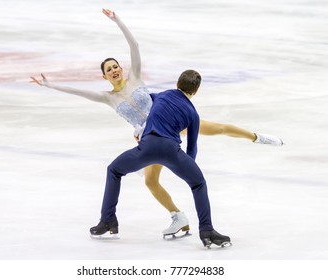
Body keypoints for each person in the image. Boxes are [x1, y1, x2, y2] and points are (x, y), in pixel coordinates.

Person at [30, 8, 283, 238]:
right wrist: (50, 84)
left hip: (171, 121)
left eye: (116, 66)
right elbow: (78, 93)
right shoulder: (108, 98)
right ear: (104, 75)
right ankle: (178, 217)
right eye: (109, 69)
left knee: (218, 128)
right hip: (150, 137)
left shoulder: (135, 78)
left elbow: (135, 45)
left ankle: (258, 137)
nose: (115, 70)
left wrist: (118, 21)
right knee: (150, 181)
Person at [90, 70, 230, 248]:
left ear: (177, 84)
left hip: (147, 148)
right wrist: (187, 167)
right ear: (195, 91)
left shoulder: (162, 96)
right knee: (198, 183)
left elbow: (143, 102)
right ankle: (207, 230)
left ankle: (108, 220)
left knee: (114, 170)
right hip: (172, 151)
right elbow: (192, 147)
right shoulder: (193, 114)